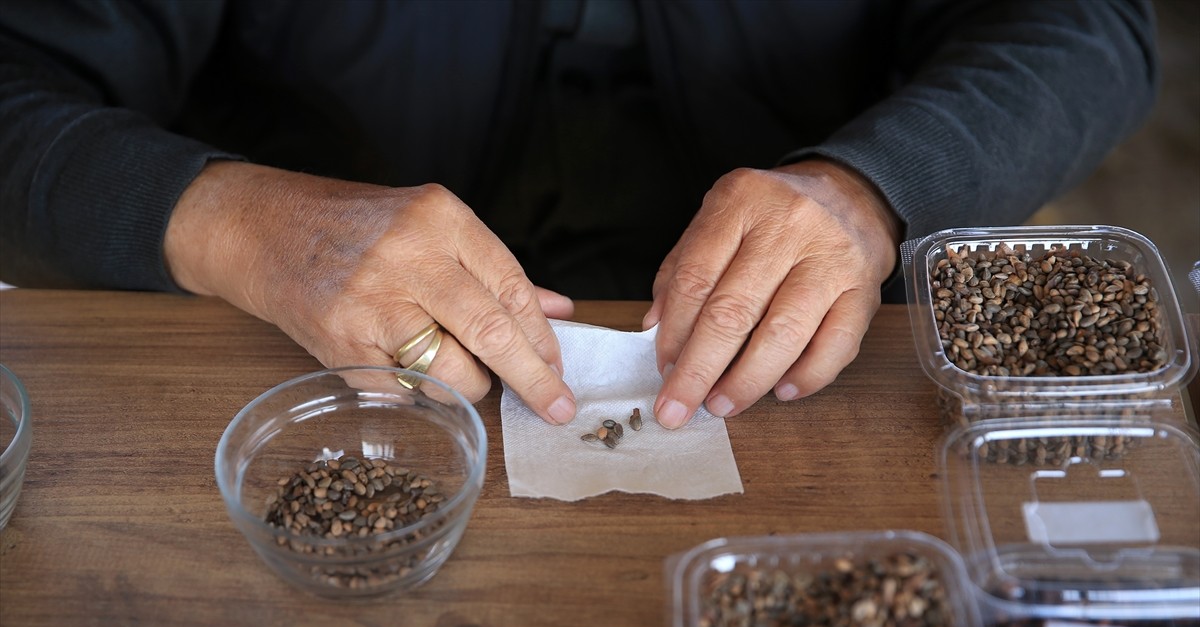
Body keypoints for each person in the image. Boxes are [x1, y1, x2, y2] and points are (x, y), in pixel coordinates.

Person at [0, 0, 1158, 429]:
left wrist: (874, 189)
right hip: (312, 355)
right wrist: (226, 219)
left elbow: (1085, 27)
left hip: (812, 378)